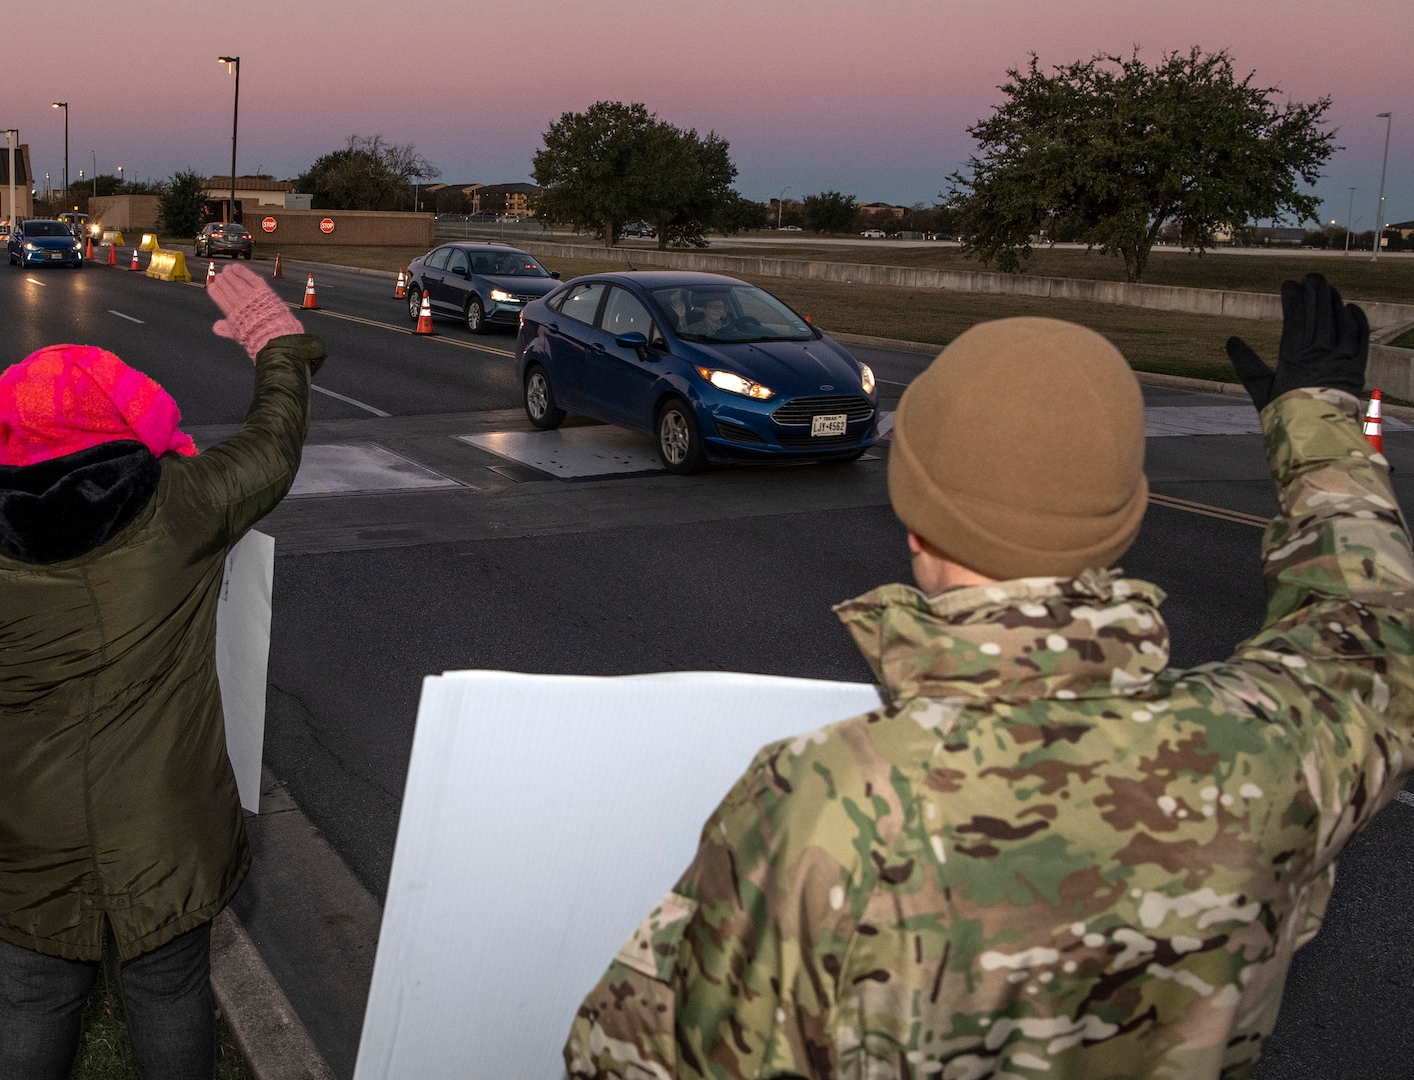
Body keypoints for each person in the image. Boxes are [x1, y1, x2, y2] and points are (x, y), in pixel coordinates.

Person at [564, 274, 1414, 1079]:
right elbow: (1374, 626)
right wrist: (1316, 423)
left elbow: (639, 1055)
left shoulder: (828, 798)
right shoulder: (1271, 747)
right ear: (1124, 516)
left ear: (916, 518)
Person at [0, 263, 324, 1080]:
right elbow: (273, 446)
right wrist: (278, 349)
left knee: (31, 998)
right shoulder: (181, 505)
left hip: (25, 823)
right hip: (166, 819)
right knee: (169, 991)